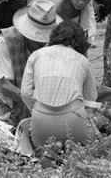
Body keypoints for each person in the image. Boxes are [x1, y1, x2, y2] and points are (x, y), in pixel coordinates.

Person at [0, 0, 60, 127]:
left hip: (30, 94)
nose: (42, 42)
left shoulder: (53, 44)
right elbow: (6, 87)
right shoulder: (5, 42)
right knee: (6, 132)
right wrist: (38, 104)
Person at [21, 21, 98, 149]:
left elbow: (25, 92)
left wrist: (37, 110)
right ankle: (71, 147)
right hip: (74, 121)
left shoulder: (36, 55)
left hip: (41, 122)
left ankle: (49, 150)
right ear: (80, 40)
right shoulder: (84, 62)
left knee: (40, 146)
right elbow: (91, 98)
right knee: (86, 148)